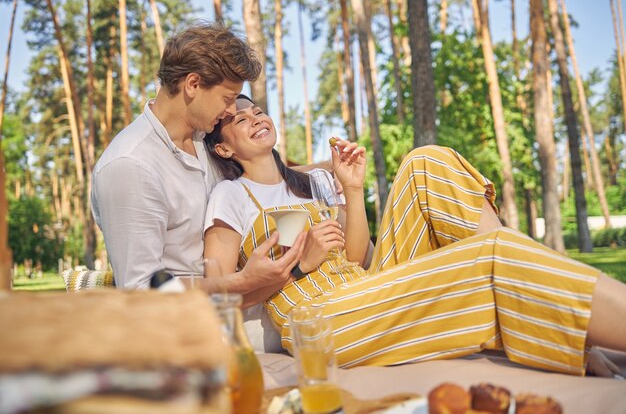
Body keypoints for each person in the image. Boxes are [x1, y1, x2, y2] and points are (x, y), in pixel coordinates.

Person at [203, 94, 626, 378]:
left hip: (362, 289)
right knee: (492, 255)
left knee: (426, 161)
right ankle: (518, 279)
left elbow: (355, 257)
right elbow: (219, 294)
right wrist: (296, 269)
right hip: (318, 320)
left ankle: (525, 284)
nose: (255, 117)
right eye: (238, 119)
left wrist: (351, 187)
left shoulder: (312, 183)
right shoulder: (230, 196)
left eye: (256, 110)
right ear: (223, 149)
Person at [91, 23, 306, 291]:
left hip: (254, 305)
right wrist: (242, 281)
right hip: (190, 325)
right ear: (193, 84)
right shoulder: (130, 166)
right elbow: (142, 290)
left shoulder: (203, 138)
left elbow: (265, 175)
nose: (231, 110)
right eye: (228, 98)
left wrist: (331, 167)